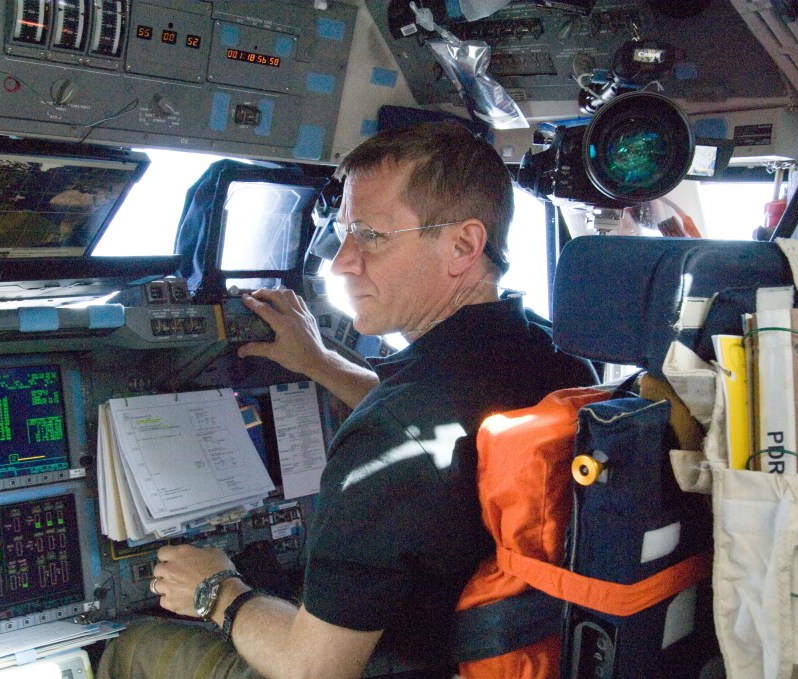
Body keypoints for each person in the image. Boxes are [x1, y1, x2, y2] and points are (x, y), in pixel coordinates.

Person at [96, 121, 597, 679]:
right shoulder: (556, 358)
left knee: (135, 645)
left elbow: (312, 669)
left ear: (462, 245)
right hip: (520, 650)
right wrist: (319, 363)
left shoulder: (393, 431)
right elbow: (446, 435)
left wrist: (214, 589)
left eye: (371, 236)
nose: (342, 262)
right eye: (342, 233)